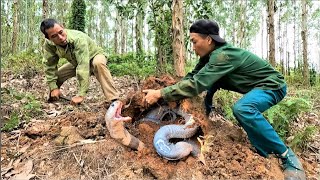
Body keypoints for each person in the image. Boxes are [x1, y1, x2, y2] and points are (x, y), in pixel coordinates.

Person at [143, 19, 306, 179]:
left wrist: (160, 93)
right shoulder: (209, 57)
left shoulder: (222, 56)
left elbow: (198, 84)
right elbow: (193, 76)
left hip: (273, 86)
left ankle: (288, 157)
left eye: (194, 41)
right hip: (259, 88)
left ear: (208, 39)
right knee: (237, 106)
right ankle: (264, 150)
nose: (193, 48)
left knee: (243, 109)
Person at [40, 18, 119, 105]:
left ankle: (114, 99)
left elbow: (83, 67)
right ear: (48, 38)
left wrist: (81, 95)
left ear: (63, 27)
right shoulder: (49, 45)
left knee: (98, 64)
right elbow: (49, 66)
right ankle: (54, 97)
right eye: (54, 36)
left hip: (94, 56)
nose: (61, 38)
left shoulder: (78, 38)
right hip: (76, 62)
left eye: (61, 32)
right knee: (57, 76)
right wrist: (53, 87)